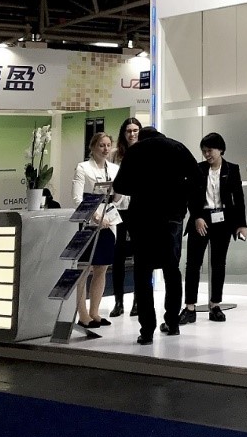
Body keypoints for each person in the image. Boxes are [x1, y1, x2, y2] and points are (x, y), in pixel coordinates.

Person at [111, 126, 198, 345]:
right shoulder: (177, 147)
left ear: (141, 137)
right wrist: (180, 195)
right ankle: (173, 323)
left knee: (143, 273)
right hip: (172, 217)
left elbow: (120, 185)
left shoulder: (136, 151)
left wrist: (141, 187)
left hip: (143, 218)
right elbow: (197, 177)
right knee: (172, 270)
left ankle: (147, 330)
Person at [179, 132, 247, 324]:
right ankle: (190, 307)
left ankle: (215, 304)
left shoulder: (232, 169)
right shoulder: (198, 169)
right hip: (201, 219)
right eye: (204, 151)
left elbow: (239, 198)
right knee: (193, 264)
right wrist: (197, 217)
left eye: (210, 150)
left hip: (223, 220)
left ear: (220, 150)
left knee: (219, 263)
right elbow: (191, 197)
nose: (207, 154)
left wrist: (241, 224)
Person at [71, 132, 119, 328]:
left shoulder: (115, 169)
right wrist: (94, 216)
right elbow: (77, 198)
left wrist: (118, 198)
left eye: (108, 145)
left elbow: (118, 196)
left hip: (109, 221)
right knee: (84, 269)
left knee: (102, 268)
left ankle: (95, 312)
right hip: (88, 222)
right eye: (101, 145)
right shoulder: (83, 168)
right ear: (92, 147)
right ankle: (83, 315)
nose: (105, 149)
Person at [109, 117, 142, 318]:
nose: (132, 134)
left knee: (140, 256)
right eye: (129, 131)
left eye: (135, 130)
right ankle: (118, 301)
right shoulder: (115, 155)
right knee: (118, 254)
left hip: (139, 208)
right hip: (118, 208)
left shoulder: (145, 151)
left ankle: (138, 301)